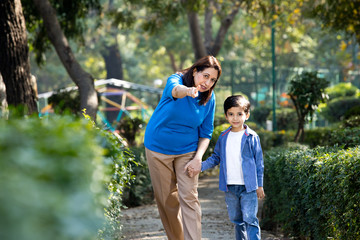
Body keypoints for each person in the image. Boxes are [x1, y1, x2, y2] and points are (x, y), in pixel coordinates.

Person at [144, 55, 222, 240]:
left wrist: (198, 158)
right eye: (205, 76)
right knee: (167, 200)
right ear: (195, 71)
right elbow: (175, 90)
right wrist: (188, 91)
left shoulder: (209, 99)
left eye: (212, 80)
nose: (208, 83)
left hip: (187, 151)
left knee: (189, 197)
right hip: (158, 149)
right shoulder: (176, 80)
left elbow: (206, 132)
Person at [191, 95, 265, 240]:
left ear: (247, 115)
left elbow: (259, 162)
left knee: (250, 218)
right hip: (230, 187)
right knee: (236, 219)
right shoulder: (223, 137)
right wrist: (200, 166)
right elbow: (216, 158)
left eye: (239, 114)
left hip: (249, 187)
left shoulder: (252, 136)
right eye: (231, 114)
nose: (235, 118)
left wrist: (259, 185)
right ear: (226, 116)